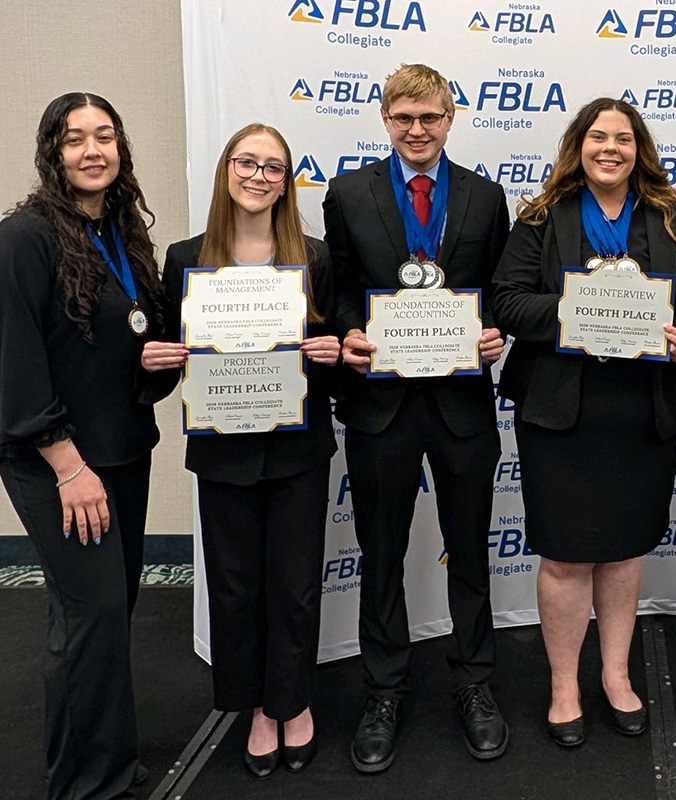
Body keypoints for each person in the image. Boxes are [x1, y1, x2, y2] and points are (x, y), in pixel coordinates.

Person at [491, 97, 676, 748]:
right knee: (565, 556)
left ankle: (617, 676)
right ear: (579, 145)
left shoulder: (675, 219)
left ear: (639, 147)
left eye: (623, 138)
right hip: (561, 410)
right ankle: (566, 685)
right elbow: (507, 301)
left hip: (641, 409)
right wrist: (582, 310)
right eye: (598, 137)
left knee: (623, 550)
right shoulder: (540, 217)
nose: (610, 148)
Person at [322, 63, 510, 771]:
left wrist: (493, 331)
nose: (417, 130)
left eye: (429, 116)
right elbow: (338, 289)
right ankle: (384, 688)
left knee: (470, 551)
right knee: (381, 553)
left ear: (450, 118)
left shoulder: (487, 198)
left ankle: (474, 682)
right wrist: (348, 334)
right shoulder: (346, 194)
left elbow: (501, 290)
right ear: (384, 120)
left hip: (461, 404)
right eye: (403, 117)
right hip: (380, 405)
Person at [140, 123, 340, 778]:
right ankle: (255, 705)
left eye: (273, 167)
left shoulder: (314, 256)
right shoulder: (185, 257)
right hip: (223, 451)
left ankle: (294, 702)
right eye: (246, 162)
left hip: (297, 450)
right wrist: (156, 360)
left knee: (294, 584)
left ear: (288, 182)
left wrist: (332, 351)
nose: (258, 175)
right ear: (228, 171)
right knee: (232, 587)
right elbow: (170, 365)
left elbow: (335, 355)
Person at [0, 92, 171, 800]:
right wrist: (68, 466)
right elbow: (16, 362)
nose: (93, 150)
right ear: (53, 151)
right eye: (76, 139)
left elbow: (116, 342)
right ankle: (86, 786)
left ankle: (106, 764)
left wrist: (159, 363)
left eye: (105, 136)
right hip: (61, 462)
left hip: (122, 452)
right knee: (92, 615)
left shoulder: (122, 235)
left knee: (106, 616)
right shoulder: (24, 238)